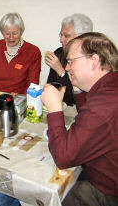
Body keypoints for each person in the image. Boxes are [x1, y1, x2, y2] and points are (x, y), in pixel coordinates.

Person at [41, 32, 118, 206]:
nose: (66, 68)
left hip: (107, 190)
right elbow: (87, 117)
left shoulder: (104, 106)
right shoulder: (109, 86)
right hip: (99, 169)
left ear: (94, 61)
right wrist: (76, 88)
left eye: (70, 61)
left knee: (54, 192)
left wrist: (54, 109)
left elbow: (63, 157)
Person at [45, 13, 93, 106]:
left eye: (66, 36)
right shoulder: (59, 53)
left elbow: (77, 98)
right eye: (61, 34)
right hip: (60, 106)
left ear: (82, 37)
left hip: (81, 109)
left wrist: (60, 71)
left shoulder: (90, 60)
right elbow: (50, 87)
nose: (61, 39)